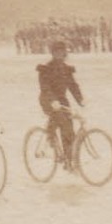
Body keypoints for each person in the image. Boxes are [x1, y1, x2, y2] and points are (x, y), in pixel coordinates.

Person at [36, 39, 85, 168]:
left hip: (62, 101)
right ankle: (50, 139)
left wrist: (80, 100)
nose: (61, 55)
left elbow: (73, 86)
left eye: (63, 53)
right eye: (58, 52)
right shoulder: (45, 69)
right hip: (47, 100)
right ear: (53, 53)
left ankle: (68, 160)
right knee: (61, 120)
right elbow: (45, 87)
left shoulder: (67, 69)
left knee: (69, 128)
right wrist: (53, 101)